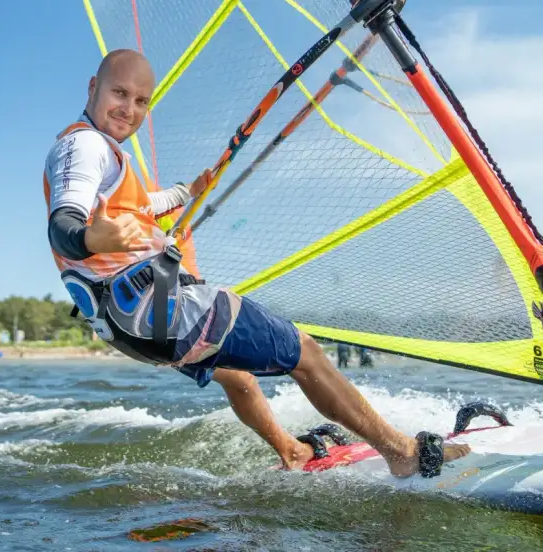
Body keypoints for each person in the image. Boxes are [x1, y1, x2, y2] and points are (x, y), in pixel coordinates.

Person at [42, 48, 470, 477]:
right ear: (93, 87)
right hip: (164, 312)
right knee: (305, 352)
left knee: (237, 376)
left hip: (132, 328)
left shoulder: (106, 154)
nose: (129, 109)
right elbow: (64, 222)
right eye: (120, 92)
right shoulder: (84, 146)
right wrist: (88, 238)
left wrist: (185, 191)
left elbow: (141, 205)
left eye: (141, 101)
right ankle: (401, 452)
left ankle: (291, 450)